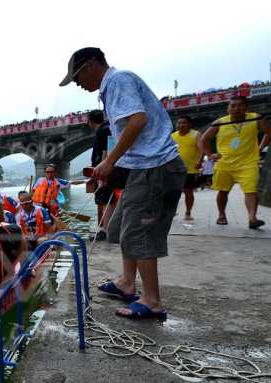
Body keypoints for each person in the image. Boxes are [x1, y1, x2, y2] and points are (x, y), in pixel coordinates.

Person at [60, 46, 186, 320]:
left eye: (77, 77)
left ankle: (152, 301)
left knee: (140, 233)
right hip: (143, 168)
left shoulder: (118, 80)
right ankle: (127, 283)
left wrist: (109, 161)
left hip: (156, 169)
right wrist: (112, 170)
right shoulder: (111, 88)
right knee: (121, 227)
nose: (78, 85)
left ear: (92, 65)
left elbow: (137, 121)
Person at [198, 96, 271, 229]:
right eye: (233, 106)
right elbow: (203, 139)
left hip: (248, 162)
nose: (236, 108)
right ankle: (221, 215)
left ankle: (252, 218)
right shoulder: (220, 122)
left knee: (251, 191)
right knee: (223, 191)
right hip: (224, 163)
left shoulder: (255, 118)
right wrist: (210, 155)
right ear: (228, 108)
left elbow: (269, 132)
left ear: (246, 107)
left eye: (240, 105)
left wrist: (260, 147)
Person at [87, 109, 116, 240]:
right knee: (108, 200)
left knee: (105, 201)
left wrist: (102, 172)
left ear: (89, 121)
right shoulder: (108, 128)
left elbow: (106, 151)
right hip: (109, 169)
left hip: (104, 171)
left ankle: (105, 231)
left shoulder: (101, 131)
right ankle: (107, 229)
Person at [170, 116, 202, 221]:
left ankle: (188, 212)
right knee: (172, 191)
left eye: (184, 123)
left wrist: (200, 161)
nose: (180, 125)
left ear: (189, 124)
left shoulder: (196, 134)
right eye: (179, 123)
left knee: (188, 191)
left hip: (190, 169)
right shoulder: (172, 136)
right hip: (174, 169)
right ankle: (172, 211)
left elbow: (201, 148)